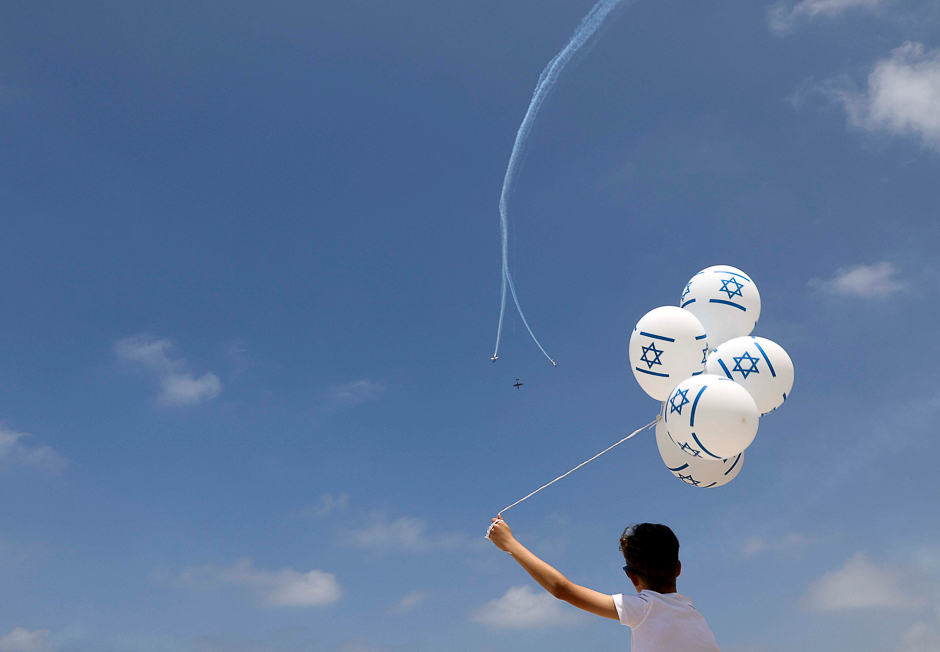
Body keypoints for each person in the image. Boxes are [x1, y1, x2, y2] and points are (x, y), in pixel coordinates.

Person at [487, 517, 719, 652]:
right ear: (678, 568)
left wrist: (510, 544)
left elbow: (562, 589)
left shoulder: (645, 608)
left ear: (632, 577)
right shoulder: (693, 615)